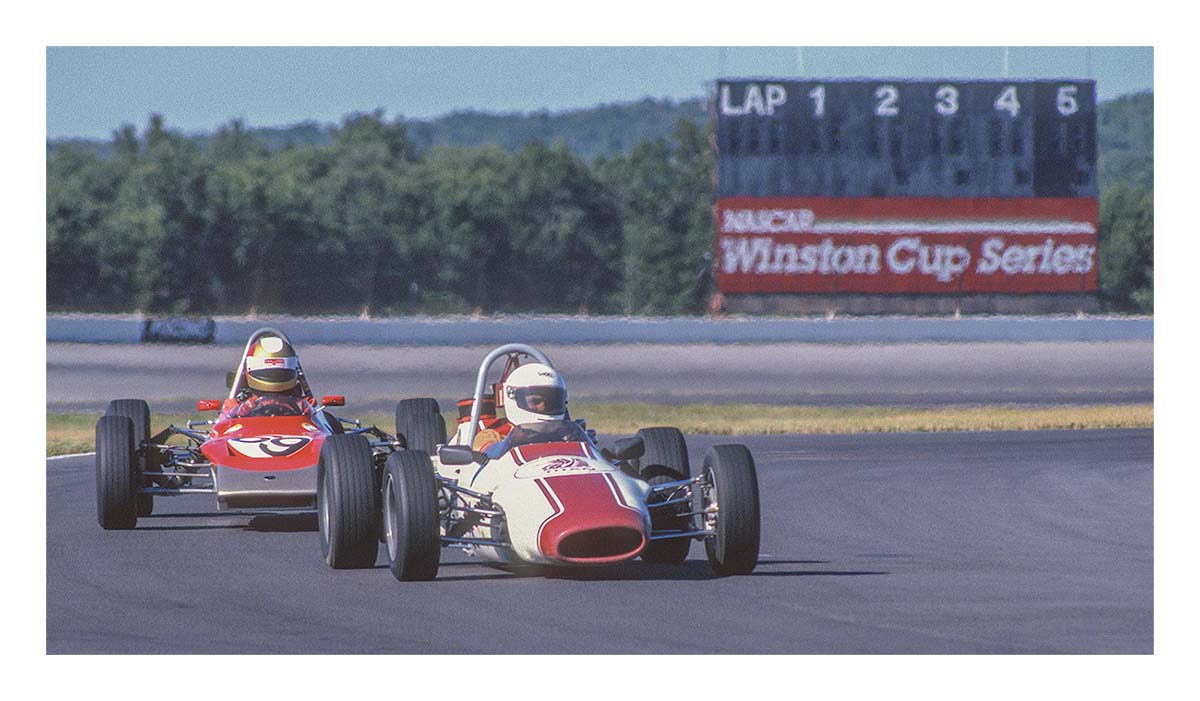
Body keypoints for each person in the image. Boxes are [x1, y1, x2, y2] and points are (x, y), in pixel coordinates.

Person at [474, 362, 580, 458]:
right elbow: (486, 453)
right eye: (535, 401)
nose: (543, 407)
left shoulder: (567, 434)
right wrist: (516, 440)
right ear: (513, 398)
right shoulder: (492, 435)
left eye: (551, 402)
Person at [231, 334, 310, 418]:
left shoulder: (302, 405)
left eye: (279, 373)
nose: (274, 375)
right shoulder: (245, 405)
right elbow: (228, 419)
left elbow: (315, 417)